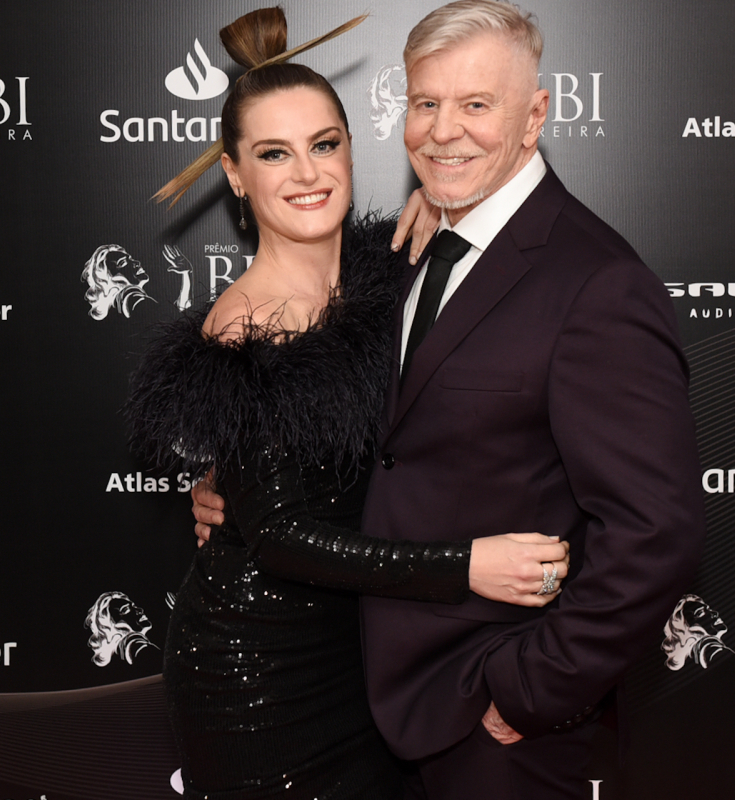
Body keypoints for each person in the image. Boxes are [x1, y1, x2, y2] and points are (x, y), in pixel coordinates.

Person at [193, 2, 706, 797]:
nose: (443, 131)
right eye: (426, 103)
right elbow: (371, 441)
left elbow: (656, 532)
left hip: (490, 717)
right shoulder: (402, 255)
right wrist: (239, 483)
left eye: (476, 105)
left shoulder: (597, 283)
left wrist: (533, 689)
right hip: (357, 691)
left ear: (534, 116)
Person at [124, 8, 569, 800]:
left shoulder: (395, 268)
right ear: (235, 174)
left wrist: (439, 207)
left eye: (324, 145)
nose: (307, 173)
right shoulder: (246, 324)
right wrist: (469, 565)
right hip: (260, 673)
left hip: (371, 654)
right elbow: (282, 538)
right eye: (274, 153)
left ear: (353, 149)